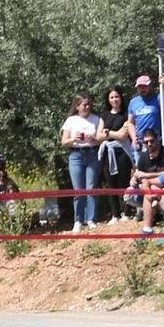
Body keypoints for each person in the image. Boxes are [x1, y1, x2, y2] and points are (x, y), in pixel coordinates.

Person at [60, 93, 103, 232]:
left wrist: (93, 139)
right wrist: (74, 139)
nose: (87, 107)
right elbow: (64, 142)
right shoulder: (71, 121)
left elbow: (101, 138)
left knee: (91, 188)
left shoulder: (96, 119)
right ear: (77, 106)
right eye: (84, 105)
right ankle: (78, 220)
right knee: (78, 190)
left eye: (89, 104)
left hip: (92, 153)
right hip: (76, 155)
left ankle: (91, 219)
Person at [100, 86, 136, 221]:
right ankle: (115, 214)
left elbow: (123, 135)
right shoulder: (104, 115)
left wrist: (108, 133)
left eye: (117, 97)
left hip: (122, 151)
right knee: (111, 183)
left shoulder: (126, 114)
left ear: (121, 98)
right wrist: (109, 134)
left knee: (124, 181)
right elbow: (98, 135)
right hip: (107, 152)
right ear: (108, 100)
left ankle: (127, 211)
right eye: (112, 97)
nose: (114, 100)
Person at [131, 129, 164, 232]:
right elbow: (137, 174)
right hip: (148, 190)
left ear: (157, 140)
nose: (149, 144)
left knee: (153, 187)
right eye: (146, 142)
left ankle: (149, 224)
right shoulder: (143, 157)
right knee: (128, 194)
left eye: (152, 141)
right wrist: (133, 179)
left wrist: (147, 175)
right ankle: (146, 213)